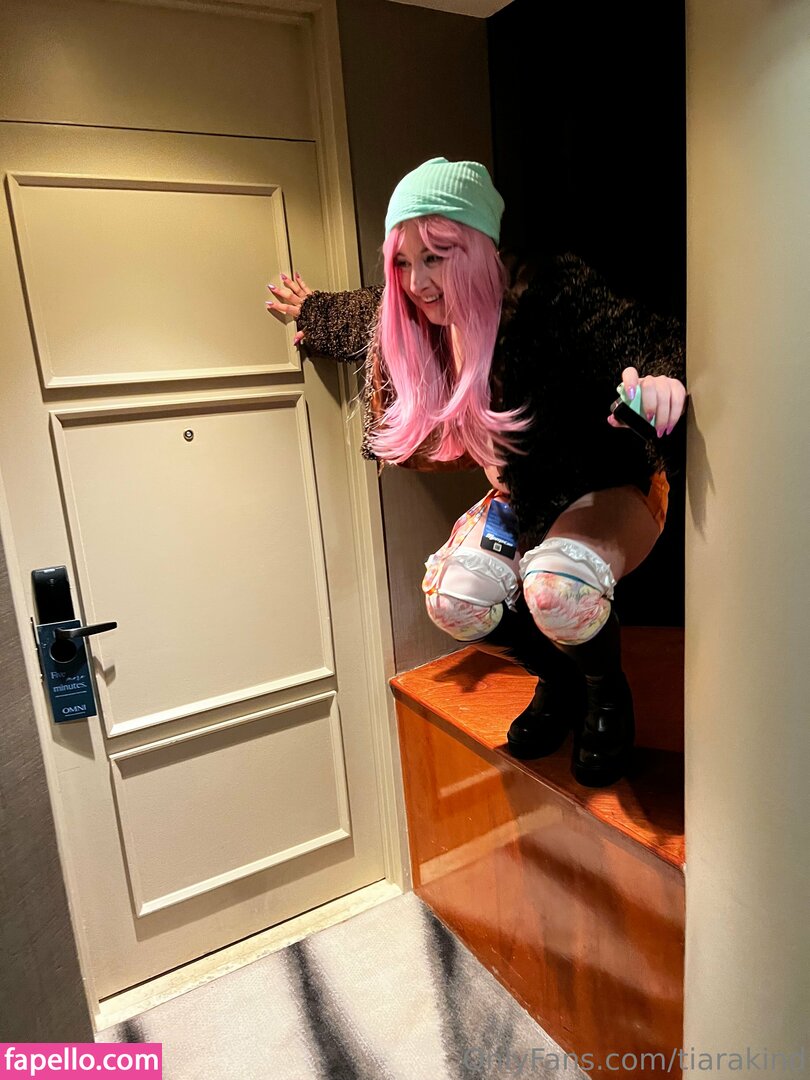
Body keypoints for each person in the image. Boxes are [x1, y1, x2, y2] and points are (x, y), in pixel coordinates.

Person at [265, 157, 687, 788]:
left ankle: (605, 691)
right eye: (403, 262)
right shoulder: (418, 316)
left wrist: (659, 383)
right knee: (454, 599)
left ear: (477, 246)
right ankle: (559, 676)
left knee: (556, 589)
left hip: (605, 484)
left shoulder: (546, 292)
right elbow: (368, 316)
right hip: (524, 499)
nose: (417, 282)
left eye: (435, 258)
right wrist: (313, 311)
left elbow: (647, 337)